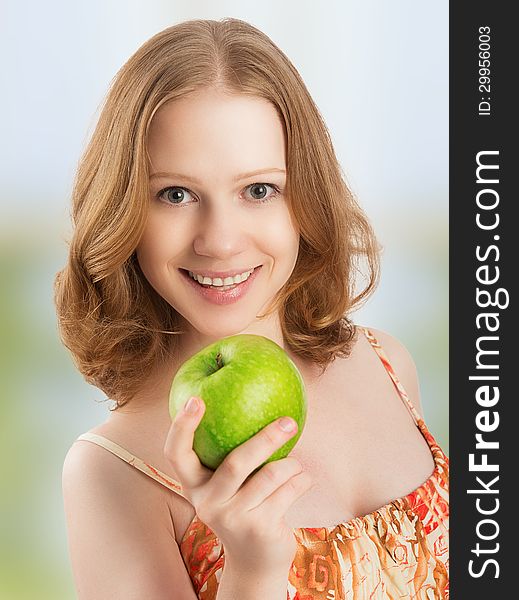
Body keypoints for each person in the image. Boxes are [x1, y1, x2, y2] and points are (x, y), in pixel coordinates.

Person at [55, 17, 449, 600]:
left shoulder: (387, 363)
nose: (219, 240)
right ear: (125, 213)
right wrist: (254, 572)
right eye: (176, 194)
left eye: (258, 190)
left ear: (305, 198)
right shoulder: (112, 473)